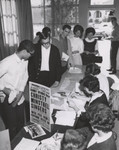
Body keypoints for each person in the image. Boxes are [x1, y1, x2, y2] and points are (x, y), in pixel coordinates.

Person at [0, 40, 35, 140]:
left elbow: (25, 76)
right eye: (30, 54)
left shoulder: (25, 61)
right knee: (12, 125)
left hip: (19, 96)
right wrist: (4, 89)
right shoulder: (7, 62)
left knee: (21, 123)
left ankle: (22, 143)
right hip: (7, 97)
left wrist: (20, 93)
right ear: (24, 51)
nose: (31, 56)